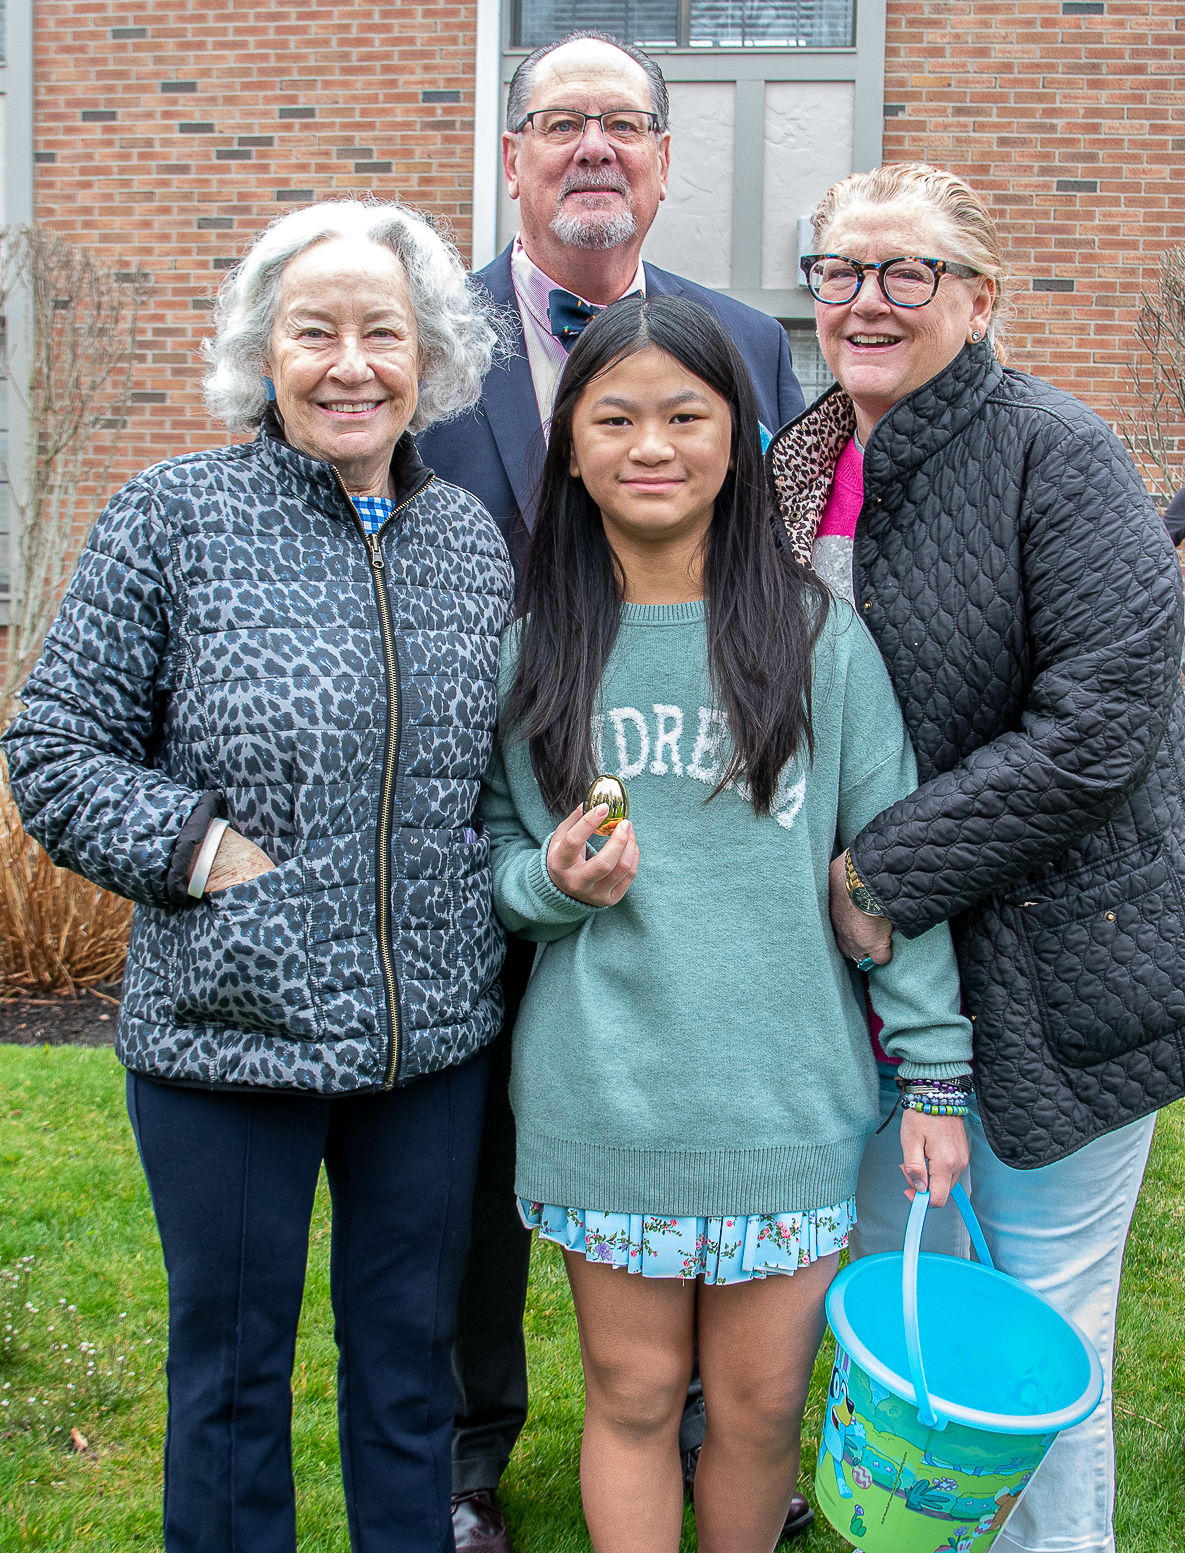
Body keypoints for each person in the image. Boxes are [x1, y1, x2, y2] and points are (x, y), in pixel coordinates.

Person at [2, 200, 514, 1553]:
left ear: (431, 360)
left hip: (431, 1046)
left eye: (383, 333)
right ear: (261, 353)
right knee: (231, 1379)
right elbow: (52, 748)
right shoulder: (172, 517)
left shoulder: (467, 539)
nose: (351, 364)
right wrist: (207, 856)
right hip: (229, 1039)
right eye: (315, 331)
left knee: (411, 1367)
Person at [478, 293, 973, 1553]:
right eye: (618, 417)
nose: (653, 444)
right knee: (636, 1394)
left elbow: (891, 862)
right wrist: (555, 880)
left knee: (756, 1411)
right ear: (573, 448)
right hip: (610, 1095)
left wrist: (935, 1073)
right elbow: (495, 864)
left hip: (785, 1096)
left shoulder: (818, 638)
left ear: (736, 438)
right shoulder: (536, 652)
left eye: (686, 415)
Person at [415, 29, 808, 1551]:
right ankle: (466, 1455)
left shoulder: (742, 340)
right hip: (467, 807)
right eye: (559, 122)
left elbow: (765, 562)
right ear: (510, 155)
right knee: (470, 1172)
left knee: (674, 1098)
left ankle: (708, 1433)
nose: (593, 148)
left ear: (660, 159)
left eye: (622, 126)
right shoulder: (419, 329)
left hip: (683, 811)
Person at [767, 162, 1185, 1553]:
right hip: (874, 990)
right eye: (839, 270)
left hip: (1063, 967)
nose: (865, 299)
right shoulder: (800, 462)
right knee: (906, 1312)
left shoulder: (1051, 450)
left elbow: (1101, 729)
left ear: (981, 297)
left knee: (1037, 1326)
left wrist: (881, 873)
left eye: (907, 272)